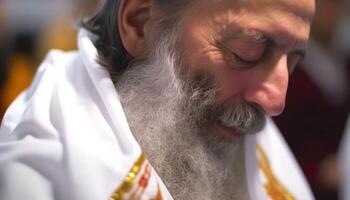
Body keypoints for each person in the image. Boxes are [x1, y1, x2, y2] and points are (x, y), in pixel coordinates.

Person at [0, 0, 315, 199]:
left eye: (292, 62)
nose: (276, 101)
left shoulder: (247, 136)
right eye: (248, 52)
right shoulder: (36, 173)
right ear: (139, 24)